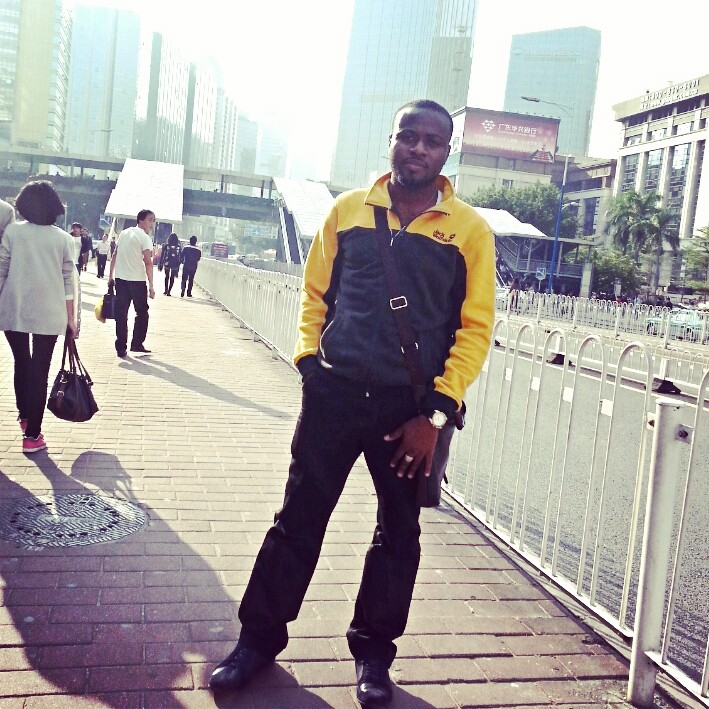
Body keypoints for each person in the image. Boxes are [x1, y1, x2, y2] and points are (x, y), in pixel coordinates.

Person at [208, 100, 495, 705]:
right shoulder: (347, 210)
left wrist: (435, 415)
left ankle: (373, 655)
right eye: (408, 136)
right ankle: (257, 640)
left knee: (399, 533)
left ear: (447, 153)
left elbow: (475, 329)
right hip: (334, 397)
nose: (418, 149)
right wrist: (308, 363)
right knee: (297, 520)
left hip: (409, 412)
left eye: (432, 141)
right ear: (392, 141)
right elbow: (314, 293)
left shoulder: (469, 230)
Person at [0, 181, 77, 453]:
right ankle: (32, 436)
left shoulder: (12, 232)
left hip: (15, 308)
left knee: (21, 362)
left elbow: (2, 270)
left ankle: (24, 416)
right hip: (50, 312)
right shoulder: (64, 239)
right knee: (40, 371)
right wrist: (72, 319)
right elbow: (69, 283)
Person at [108, 209, 155, 357]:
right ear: (141, 220)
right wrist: (151, 285)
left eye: (153, 220)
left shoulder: (124, 233)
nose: (152, 224)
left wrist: (110, 276)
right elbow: (148, 263)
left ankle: (121, 347)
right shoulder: (145, 238)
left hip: (121, 280)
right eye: (150, 220)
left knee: (121, 314)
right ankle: (137, 343)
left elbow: (114, 255)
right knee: (142, 313)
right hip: (137, 281)